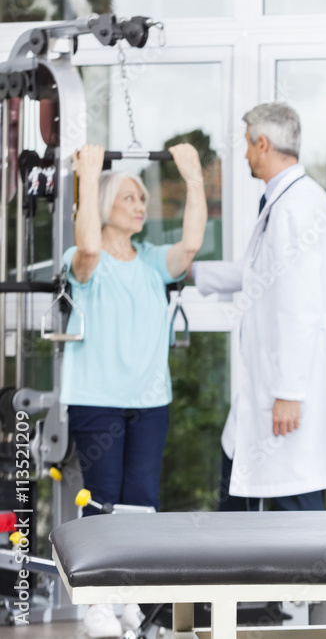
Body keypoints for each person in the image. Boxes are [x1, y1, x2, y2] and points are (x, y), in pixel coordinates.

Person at [65, 143, 207, 637]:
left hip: (150, 402)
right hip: (97, 399)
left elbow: (191, 245)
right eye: (128, 197)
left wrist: (192, 177)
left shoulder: (151, 261)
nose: (140, 205)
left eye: (142, 198)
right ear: (104, 205)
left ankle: (130, 601)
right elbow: (88, 249)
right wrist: (86, 177)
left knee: (141, 503)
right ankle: (98, 603)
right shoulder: (83, 260)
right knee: (102, 500)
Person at [194, 102, 326, 511]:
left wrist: (288, 392)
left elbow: (299, 306)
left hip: (289, 387)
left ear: (263, 144)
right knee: (255, 486)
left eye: (248, 144)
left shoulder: (295, 206)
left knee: (294, 504)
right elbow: (260, 272)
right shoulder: (288, 200)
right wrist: (192, 272)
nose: (245, 154)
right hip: (274, 382)